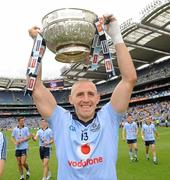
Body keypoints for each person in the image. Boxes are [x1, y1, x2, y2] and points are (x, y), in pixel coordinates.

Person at [28, 14, 137, 180]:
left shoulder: (109, 117)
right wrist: (38, 45)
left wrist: (115, 35)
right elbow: (35, 86)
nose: (86, 99)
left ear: (98, 98)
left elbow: (129, 79)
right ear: (70, 99)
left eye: (90, 94)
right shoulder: (60, 120)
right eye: (79, 94)